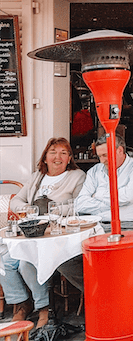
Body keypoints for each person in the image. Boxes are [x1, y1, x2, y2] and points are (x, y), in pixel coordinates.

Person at [2, 138, 85, 328]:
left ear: (70, 158)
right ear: (45, 157)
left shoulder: (77, 176)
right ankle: (21, 302)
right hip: (32, 231)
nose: (58, 157)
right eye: (53, 152)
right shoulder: (36, 177)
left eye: (64, 153)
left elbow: (79, 204)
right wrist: (29, 209)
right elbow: (16, 201)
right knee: (4, 258)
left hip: (55, 233)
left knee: (25, 264)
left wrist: (52, 211)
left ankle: (43, 308)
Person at [59, 133, 133, 291]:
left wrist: (98, 197)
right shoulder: (95, 171)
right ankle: (103, 291)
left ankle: (113, 295)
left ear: (120, 150)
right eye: (99, 156)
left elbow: (126, 197)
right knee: (64, 261)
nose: (102, 160)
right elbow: (81, 204)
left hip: (131, 227)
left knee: (112, 260)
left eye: (105, 155)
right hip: (95, 228)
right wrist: (112, 200)